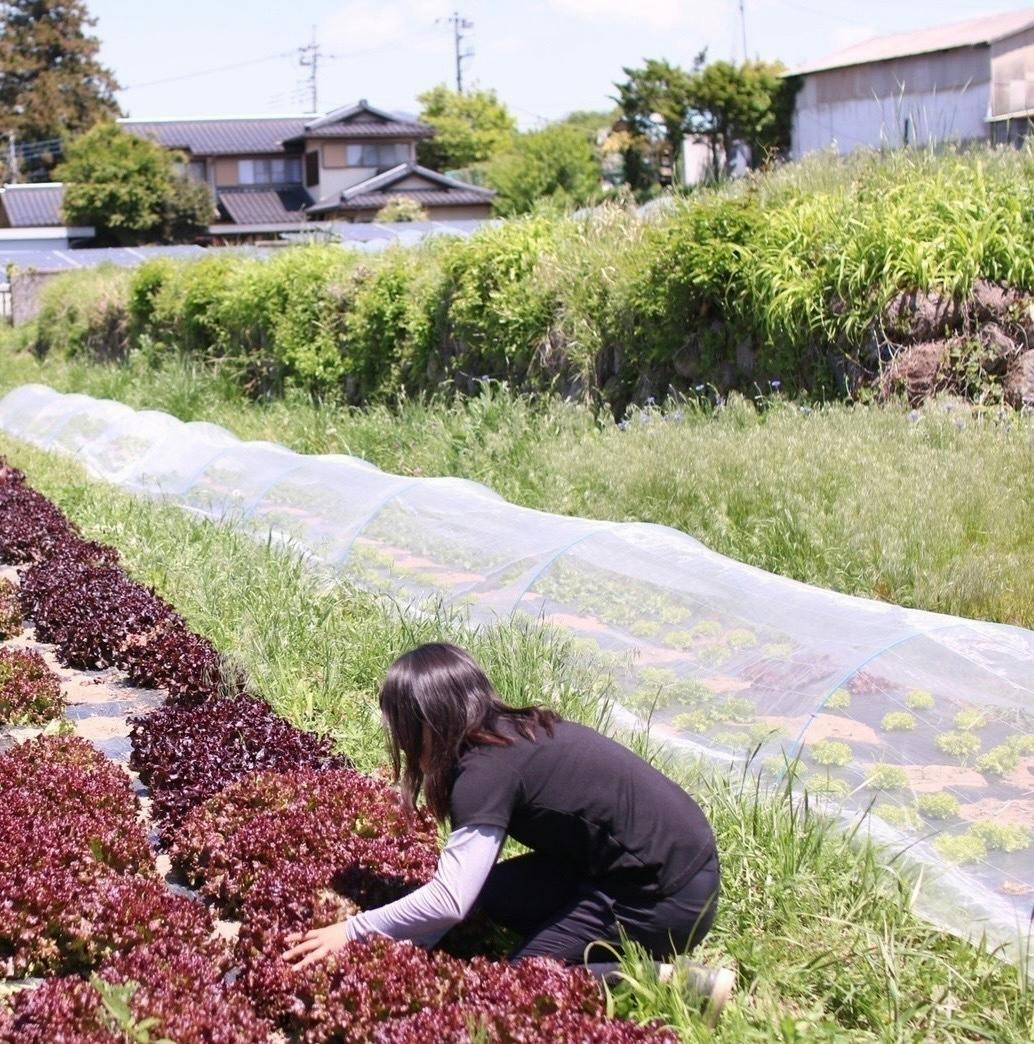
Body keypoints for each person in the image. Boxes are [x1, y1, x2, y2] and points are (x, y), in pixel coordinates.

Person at [283, 642, 734, 1021]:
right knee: (492, 897)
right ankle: (584, 937)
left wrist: (354, 931)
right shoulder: (506, 733)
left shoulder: (481, 774)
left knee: (523, 983)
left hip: (666, 897)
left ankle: (673, 982)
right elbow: (463, 897)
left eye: (399, 728)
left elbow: (449, 900)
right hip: (665, 863)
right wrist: (408, 941)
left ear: (424, 723)